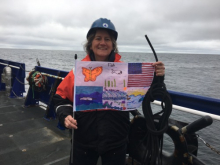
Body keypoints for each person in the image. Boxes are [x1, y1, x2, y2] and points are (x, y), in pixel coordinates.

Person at [53, 18, 165, 165]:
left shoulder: (125, 71)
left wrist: (158, 77)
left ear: (113, 45)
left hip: (116, 142)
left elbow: (147, 96)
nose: (102, 42)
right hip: (83, 140)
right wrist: (65, 115)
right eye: (98, 38)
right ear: (91, 44)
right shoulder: (78, 71)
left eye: (107, 39)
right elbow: (60, 97)